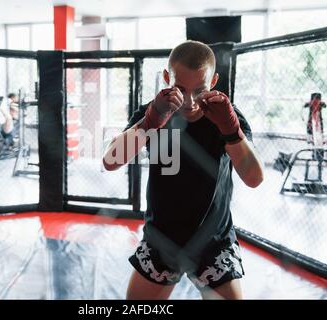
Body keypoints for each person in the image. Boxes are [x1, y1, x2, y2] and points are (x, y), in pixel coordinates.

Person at [103, 40, 264, 300]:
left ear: (213, 82)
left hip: (214, 241)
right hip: (161, 238)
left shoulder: (227, 116)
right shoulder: (153, 112)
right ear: (167, 78)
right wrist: (149, 123)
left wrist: (232, 132)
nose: (189, 102)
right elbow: (110, 161)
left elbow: (254, 178)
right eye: (180, 89)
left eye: (199, 90)